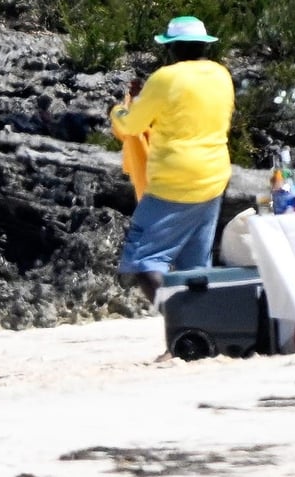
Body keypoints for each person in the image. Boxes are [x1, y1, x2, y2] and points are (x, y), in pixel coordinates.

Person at [110, 16, 234, 316]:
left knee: (144, 261)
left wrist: (117, 110)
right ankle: (201, 335)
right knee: (195, 265)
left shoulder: (165, 78)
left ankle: (182, 325)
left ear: (172, 48)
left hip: (173, 183)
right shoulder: (221, 74)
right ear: (204, 46)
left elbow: (131, 126)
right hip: (214, 177)